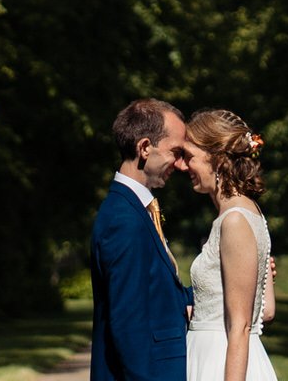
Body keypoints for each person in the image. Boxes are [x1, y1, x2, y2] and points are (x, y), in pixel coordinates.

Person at [91, 98, 193, 381]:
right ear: (145, 147)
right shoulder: (123, 220)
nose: (182, 165)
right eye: (176, 152)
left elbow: (161, 295)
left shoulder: (135, 210)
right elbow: (128, 322)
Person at [180, 108, 278, 381]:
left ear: (217, 157)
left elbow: (241, 327)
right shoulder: (249, 212)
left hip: (220, 360)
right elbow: (266, 310)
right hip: (214, 350)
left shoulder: (234, 220)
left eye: (189, 157)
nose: (183, 166)